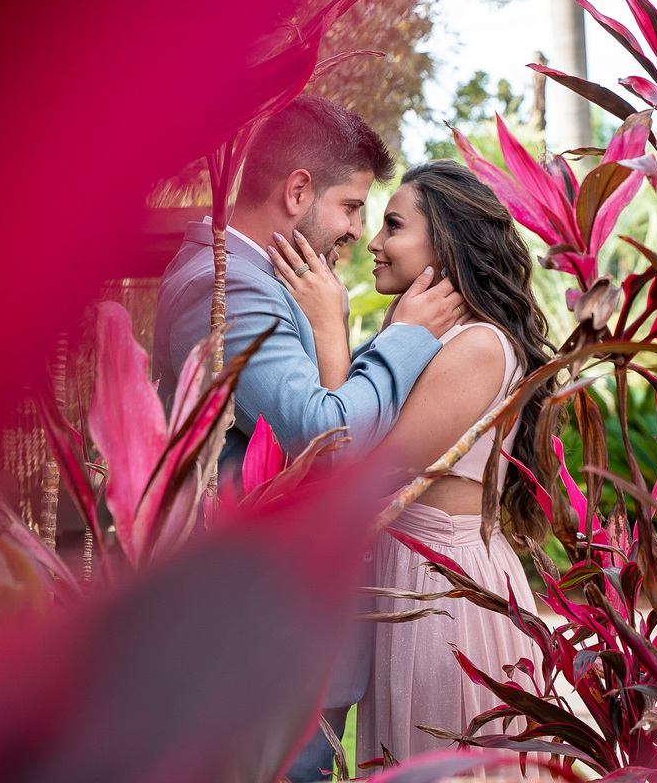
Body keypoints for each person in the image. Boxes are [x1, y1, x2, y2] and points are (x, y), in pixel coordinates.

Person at [152, 96, 467, 782]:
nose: (358, 231)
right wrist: (405, 336)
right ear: (298, 191)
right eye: (353, 207)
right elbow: (331, 435)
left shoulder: (260, 284)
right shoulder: (227, 288)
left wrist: (333, 331)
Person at [269, 159, 551, 763]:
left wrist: (329, 331)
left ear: (445, 244)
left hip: (442, 592)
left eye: (393, 225)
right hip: (409, 582)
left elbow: (357, 469)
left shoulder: (478, 346)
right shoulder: (436, 340)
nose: (372, 242)